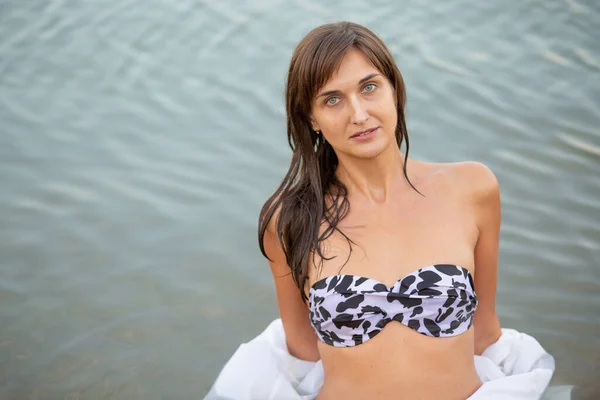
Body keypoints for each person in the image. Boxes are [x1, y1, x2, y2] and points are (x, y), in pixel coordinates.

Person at [206, 21, 560, 400]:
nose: (359, 114)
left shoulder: (473, 189)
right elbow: (304, 353)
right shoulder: (289, 220)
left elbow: (484, 330)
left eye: (369, 87)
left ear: (394, 90)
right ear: (312, 120)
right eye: (332, 99)